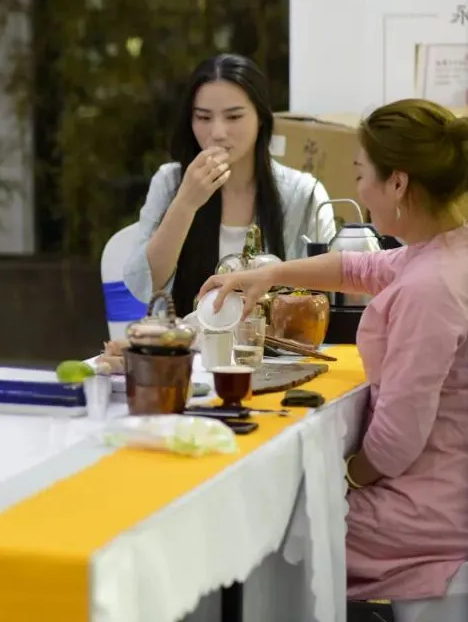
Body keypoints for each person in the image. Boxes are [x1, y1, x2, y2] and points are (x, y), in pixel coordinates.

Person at [200, 99, 468, 613]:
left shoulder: (429, 289)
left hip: (427, 514)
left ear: (398, 183)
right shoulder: (444, 252)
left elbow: (395, 444)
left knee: (261, 531)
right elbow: (358, 269)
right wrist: (269, 274)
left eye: (362, 174)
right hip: (442, 492)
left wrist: (345, 476)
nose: (358, 189)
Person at [123, 53, 337, 314]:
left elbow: (326, 290)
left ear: (260, 117)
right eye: (203, 118)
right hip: (188, 337)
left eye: (234, 117)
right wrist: (186, 202)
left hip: (277, 339)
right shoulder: (170, 182)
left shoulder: (304, 193)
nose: (217, 133)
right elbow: (143, 285)